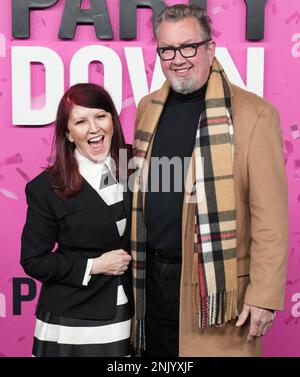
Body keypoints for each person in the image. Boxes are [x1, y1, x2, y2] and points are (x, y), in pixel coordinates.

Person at [131, 4, 288, 357]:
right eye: (167, 50)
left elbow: (271, 221)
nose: (178, 59)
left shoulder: (255, 114)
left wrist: (263, 296)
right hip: (152, 281)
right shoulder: (147, 107)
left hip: (218, 291)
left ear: (210, 48)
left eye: (189, 47)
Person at [21, 83, 133, 357]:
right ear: (68, 134)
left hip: (132, 310)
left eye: (100, 116)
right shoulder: (46, 187)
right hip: (72, 318)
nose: (94, 128)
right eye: (81, 122)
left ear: (112, 120)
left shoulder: (137, 162)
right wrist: (93, 266)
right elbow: (34, 260)